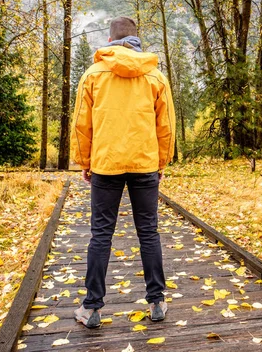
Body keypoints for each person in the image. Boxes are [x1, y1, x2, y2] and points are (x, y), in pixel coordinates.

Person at [70, 16, 176, 329]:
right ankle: (156, 301)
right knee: (149, 231)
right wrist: (161, 163)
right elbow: (165, 125)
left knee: (101, 233)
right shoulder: (154, 75)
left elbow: (81, 124)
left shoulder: (93, 74)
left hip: (106, 163)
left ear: (110, 41)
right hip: (144, 163)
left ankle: (91, 308)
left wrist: (85, 161)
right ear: (136, 41)